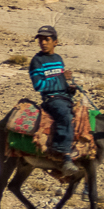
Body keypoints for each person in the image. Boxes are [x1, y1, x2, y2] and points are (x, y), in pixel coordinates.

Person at [29, 25, 80, 176]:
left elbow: (60, 82)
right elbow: (39, 85)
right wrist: (61, 78)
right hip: (52, 100)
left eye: (47, 39)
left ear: (55, 42)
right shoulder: (37, 61)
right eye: (41, 40)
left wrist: (69, 87)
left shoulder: (58, 59)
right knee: (65, 115)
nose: (43, 43)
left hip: (65, 97)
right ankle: (63, 155)